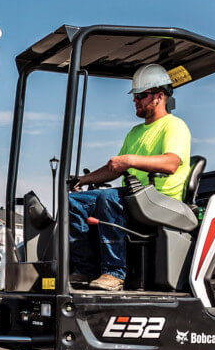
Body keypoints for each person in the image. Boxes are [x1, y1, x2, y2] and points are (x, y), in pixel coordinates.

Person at [68, 64, 192, 291]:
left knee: (109, 198)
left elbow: (171, 163)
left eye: (141, 96)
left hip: (161, 198)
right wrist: (82, 180)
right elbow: (115, 169)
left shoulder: (175, 126)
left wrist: (130, 161)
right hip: (134, 196)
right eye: (135, 96)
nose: (135, 100)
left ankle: (114, 273)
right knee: (74, 202)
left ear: (159, 97)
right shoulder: (135, 132)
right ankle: (84, 268)